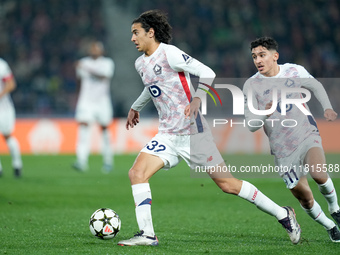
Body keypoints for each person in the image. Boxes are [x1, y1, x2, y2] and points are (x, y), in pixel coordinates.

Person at [117, 10, 301, 246]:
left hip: (194, 133)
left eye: (136, 33)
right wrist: (136, 107)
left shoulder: (169, 53)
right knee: (137, 173)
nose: (132, 38)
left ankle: (283, 214)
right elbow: (151, 86)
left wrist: (197, 99)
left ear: (151, 33)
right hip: (168, 135)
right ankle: (147, 234)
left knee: (227, 184)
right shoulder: (140, 63)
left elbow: (207, 72)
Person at [243, 36, 340, 242]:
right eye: (254, 57)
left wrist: (327, 107)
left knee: (319, 174)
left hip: (306, 133)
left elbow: (315, 86)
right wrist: (265, 112)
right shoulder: (252, 85)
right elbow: (251, 125)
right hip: (282, 148)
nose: (258, 60)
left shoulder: (294, 70)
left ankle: (335, 208)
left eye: (262, 55)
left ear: (275, 56)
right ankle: (330, 226)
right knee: (304, 198)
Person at [73, 41, 115, 173]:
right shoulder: (83, 62)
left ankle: (108, 161)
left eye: (96, 49)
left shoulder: (107, 63)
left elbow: (104, 76)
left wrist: (86, 68)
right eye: (92, 48)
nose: (94, 51)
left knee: (104, 130)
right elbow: (79, 81)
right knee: (83, 129)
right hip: (86, 101)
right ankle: (81, 161)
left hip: (102, 101)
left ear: (101, 51)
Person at [0, 58, 23, 177]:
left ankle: (17, 164)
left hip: (3, 109)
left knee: (7, 136)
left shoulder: (2, 65)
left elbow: (11, 84)